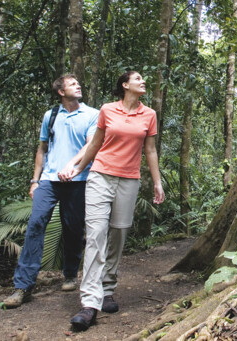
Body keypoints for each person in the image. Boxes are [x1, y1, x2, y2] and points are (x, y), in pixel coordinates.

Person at [58, 70, 165, 331]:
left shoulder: (149, 115)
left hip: (129, 180)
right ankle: (89, 303)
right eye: (138, 78)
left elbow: (149, 150)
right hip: (100, 176)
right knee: (95, 235)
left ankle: (107, 288)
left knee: (118, 233)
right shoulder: (107, 110)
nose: (143, 82)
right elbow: (95, 144)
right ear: (125, 85)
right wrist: (78, 167)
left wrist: (158, 182)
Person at [3, 74, 99, 309]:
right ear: (61, 91)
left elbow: (90, 145)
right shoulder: (51, 115)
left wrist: (74, 168)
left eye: (78, 82)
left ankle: (69, 273)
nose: (78, 86)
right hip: (49, 179)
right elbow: (42, 149)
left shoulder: (92, 114)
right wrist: (35, 180)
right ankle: (23, 285)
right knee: (35, 225)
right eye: (72, 84)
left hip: (78, 180)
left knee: (73, 228)